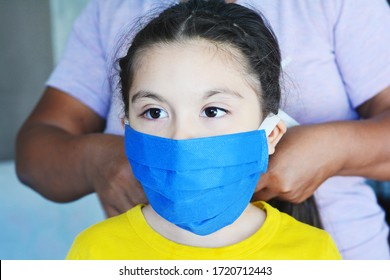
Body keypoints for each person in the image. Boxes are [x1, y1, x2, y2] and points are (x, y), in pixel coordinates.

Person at [15, 0, 390, 259]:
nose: (182, 137)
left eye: (212, 110)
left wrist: (333, 148)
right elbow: (36, 153)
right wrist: (99, 160)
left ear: (271, 133)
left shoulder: (318, 253)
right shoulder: (112, 9)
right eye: (154, 111)